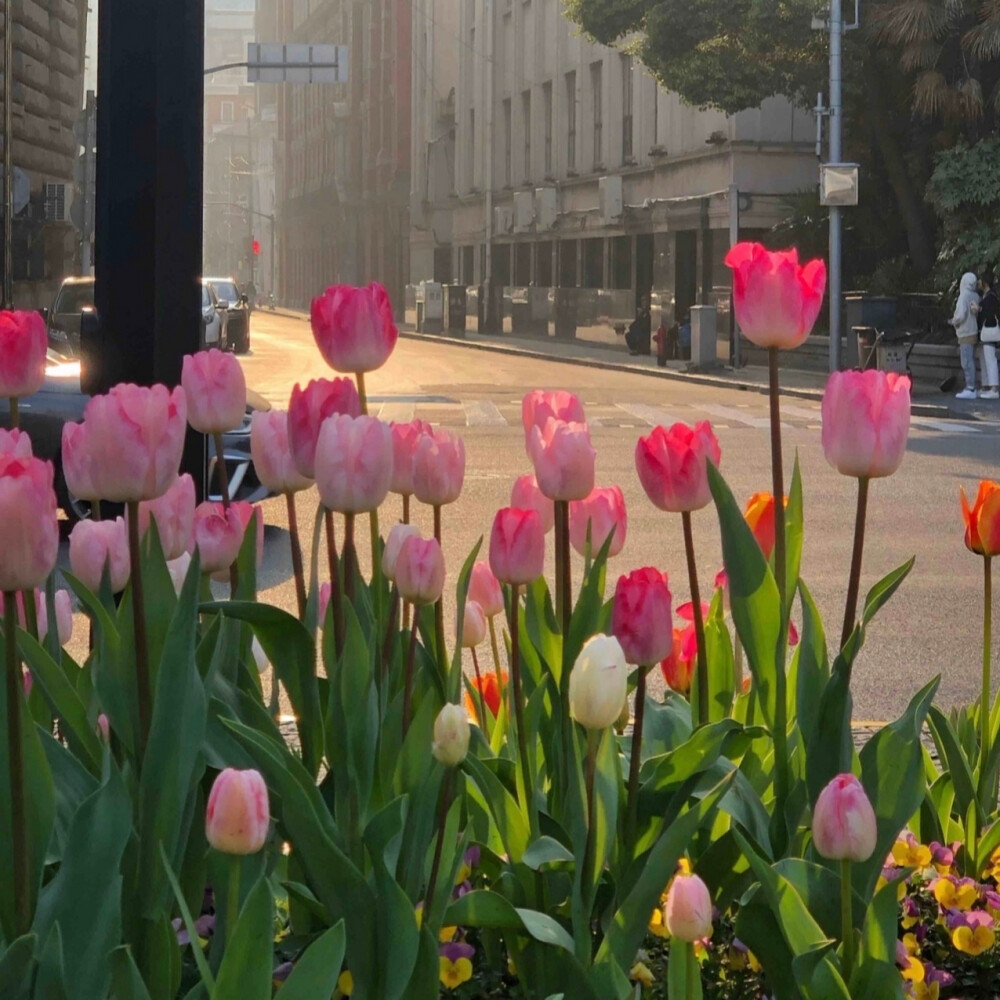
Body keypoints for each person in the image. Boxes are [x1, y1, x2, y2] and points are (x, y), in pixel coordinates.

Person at [949, 271, 980, 399]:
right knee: (970, 359)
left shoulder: (963, 297)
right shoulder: (976, 295)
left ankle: (970, 387)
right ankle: (972, 387)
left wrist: (953, 321)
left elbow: (961, 315)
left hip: (965, 332)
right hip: (973, 330)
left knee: (966, 361)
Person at [978, 274, 1000, 399]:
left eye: (981, 281)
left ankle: (994, 388)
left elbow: (989, 313)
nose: (979, 283)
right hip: (989, 331)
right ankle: (990, 386)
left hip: (990, 330)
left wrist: (979, 309)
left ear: (985, 283)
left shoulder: (990, 297)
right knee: (988, 359)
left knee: (990, 360)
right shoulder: (991, 296)